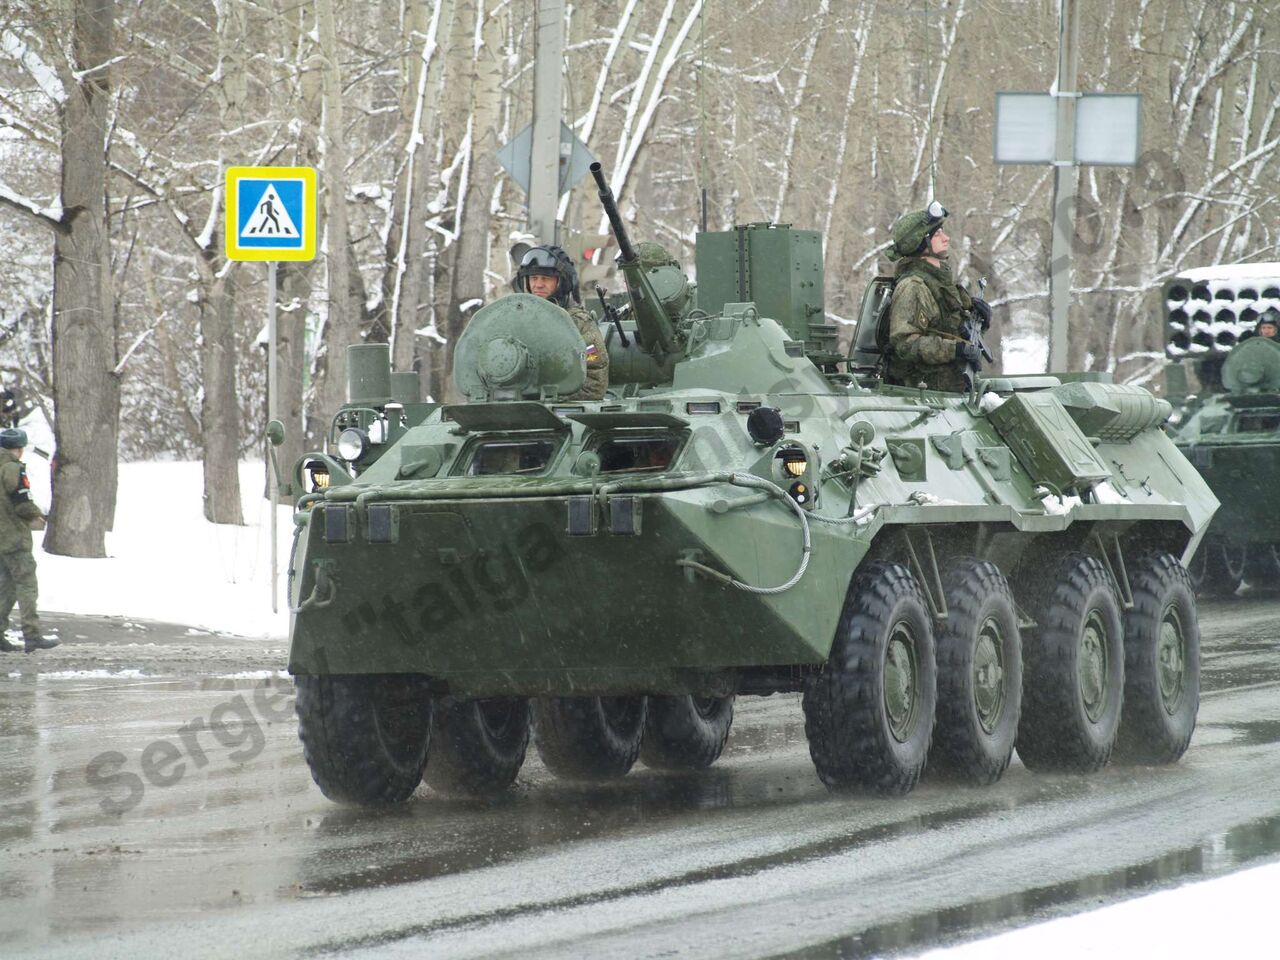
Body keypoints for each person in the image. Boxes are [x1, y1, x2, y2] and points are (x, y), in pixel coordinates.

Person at [883, 201, 992, 392]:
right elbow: (905, 345)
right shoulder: (913, 287)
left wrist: (980, 322)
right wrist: (956, 350)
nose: (946, 238)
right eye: (937, 233)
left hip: (952, 392)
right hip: (925, 396)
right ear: (921, 241)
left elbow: (954, 332)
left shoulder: (942, 283)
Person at [512, 245, 609, 400]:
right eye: (533, 278)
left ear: (561, 282)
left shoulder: (578, 324)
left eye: (545, 278)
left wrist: (556, 400)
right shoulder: (515, 320)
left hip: (563, 410)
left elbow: (595, 377)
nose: (538, 284)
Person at [0, 429, 56, 653]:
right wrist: (37, 515)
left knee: (6, 586)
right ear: (19, 448)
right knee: (26, 583)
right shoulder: (13, 468)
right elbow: (21, 501)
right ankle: (31, 634)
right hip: (13, 537)